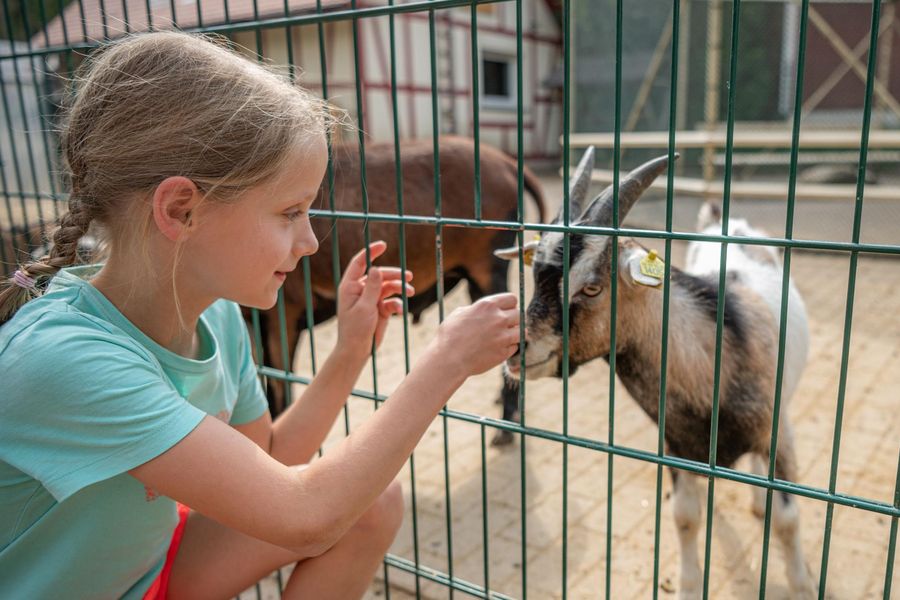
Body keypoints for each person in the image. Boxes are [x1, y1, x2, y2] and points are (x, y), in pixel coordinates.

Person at [0, 31, 520, 599]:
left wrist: (349, 351)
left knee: (370, 501)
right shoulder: (65, 360)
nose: (311, 243)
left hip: (145, 571)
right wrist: (445, 361)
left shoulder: (214, 314)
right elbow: (304, 515)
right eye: (289, 212)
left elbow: (269, 459)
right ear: (181, 209)